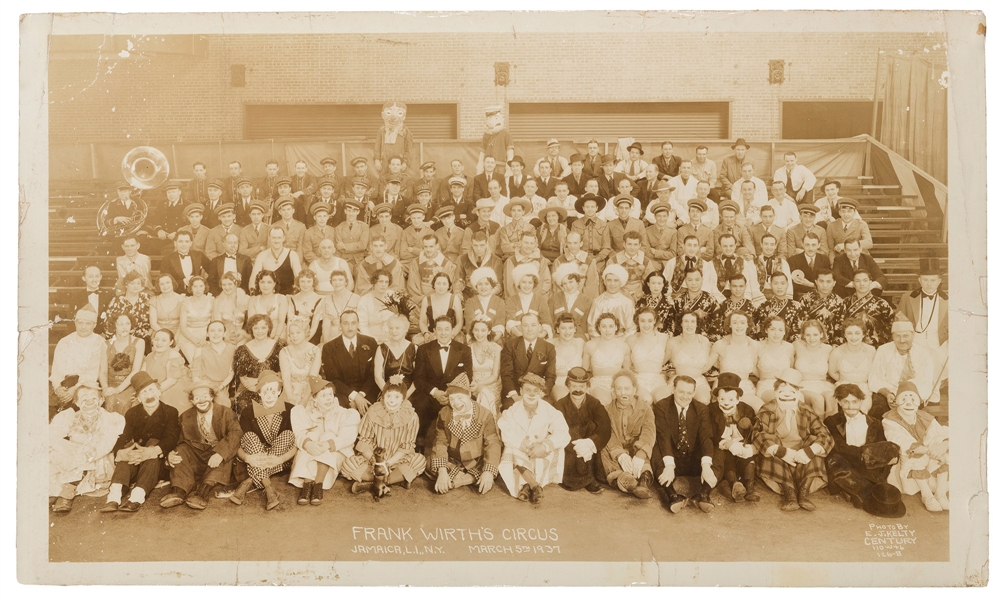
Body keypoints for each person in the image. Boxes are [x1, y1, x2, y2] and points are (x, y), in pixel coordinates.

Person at [752, 368, 834, 511]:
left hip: (802, 455)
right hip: (780, 455)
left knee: (815, 442)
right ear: (776, 393)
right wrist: (781, 451)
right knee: (769, 446)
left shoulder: (806, 410)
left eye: (792, 392)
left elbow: (825, 434)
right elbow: (758, 433)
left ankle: (803, 493)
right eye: (782, 392)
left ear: (798, 393)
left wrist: (810, 450)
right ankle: (789, 494)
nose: (787, 395)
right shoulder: (767, 410)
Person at [102, 372, 180, 513]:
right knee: (127, 450)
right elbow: (123, 437)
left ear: (159, 391)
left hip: (158, 463)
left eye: (151, 390)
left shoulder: (170, 412)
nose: (149, 396)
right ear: (138, 397)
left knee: (154, 445)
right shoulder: (132, 413)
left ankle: (137, 497)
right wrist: (121, 453)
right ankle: (114, 496)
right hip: (137, 459)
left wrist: (152, 451)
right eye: (143, 393)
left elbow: (171, 438)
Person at [159, 380, 242, 511]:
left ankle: (202, 494)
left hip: (216, 455)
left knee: (226, 454)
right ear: (192, 401)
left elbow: (236, 433)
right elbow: (177, 440)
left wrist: (220, 453)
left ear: (212, 396)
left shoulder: (226, 413)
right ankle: (178, 492)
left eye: (205, 396)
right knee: (180, 451)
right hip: (197, 456)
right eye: (197, 398)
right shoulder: (186, 416)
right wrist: (169, 455)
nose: (201, 401)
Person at [48, 381, 126, 513]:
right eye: (84, 399)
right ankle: (57, 489)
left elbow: (105, 446)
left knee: (89, 455)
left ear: (101, 400)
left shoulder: (110, 419)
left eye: (93, 398)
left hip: (97, 459)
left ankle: (67, 491)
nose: (89, 403)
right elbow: (51, 437)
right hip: (75, 457)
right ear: (77, 403)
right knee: (54, 447)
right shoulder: (71, 417)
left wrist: (80, 457)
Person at [497, 373, 572, 504]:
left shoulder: (550, 410)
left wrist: (544, 446)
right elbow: (507, 433)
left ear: (541, 393)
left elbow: (563, 433)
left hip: (540, 453)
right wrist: (526, 447)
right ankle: (534, 485)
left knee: (556, 447)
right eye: (527, 390)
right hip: (521, 450)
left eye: (536, 391)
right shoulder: (512, 411)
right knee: (511, 448)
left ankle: (525, 485)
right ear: (520, 391)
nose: (532, 394)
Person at [823, 383, 899, 511]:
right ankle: (863, 491)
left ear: (861, 401)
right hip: (847, 462)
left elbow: (880, 447)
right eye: (846, 402)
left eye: (854, 402)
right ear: (839, 402)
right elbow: (839, 446)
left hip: (869, 466)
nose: (850, 406)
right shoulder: (831, 421)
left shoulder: (875, 422)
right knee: (833, 458)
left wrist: (872, 456)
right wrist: (865, 454)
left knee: (890, 447)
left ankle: (856, 490)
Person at [342, 383, 427, 495]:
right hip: (373, 461)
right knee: (348, 464)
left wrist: (387, 464)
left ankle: (375, 484)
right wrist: (376, 462)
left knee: (419, 461)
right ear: (383, 396)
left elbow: (407, 446)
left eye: (397, 397)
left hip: (397, 460)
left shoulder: (411, 416)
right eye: (388, 396)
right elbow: (365, 442)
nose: (392, 401)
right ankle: (393, 480)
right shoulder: (373, 412)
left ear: (403, 398)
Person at [229, 370, 297, 510]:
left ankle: (248, 481)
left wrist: (281, 459)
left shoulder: (291, 410)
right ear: (259, 393)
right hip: (256, 454)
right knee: (249, 436)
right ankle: (268, 487)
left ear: (279, 392)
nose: (269, 396)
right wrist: (248, 458)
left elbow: (296, 444)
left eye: (273, 391)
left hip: (280, 457)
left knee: (288, 434)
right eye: (265, 392)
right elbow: (241, 442)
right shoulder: (248, 411)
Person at [288, 376, 361, 506]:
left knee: (327, 435)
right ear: (314, 399)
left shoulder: (343, 413)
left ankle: (318, 484)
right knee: (311, 437)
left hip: (337, 452)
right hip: (313, 452)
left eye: (330, 394)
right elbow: (299, 433)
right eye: (323, 395)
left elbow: (347, 437)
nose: (328, 398)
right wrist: (308, 443)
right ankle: (307, 484)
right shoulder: (307, 413)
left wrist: (328, 443)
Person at [651, 375, 719, 513]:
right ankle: (672, 495)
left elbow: (705, 437)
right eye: (681, 391)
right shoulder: (661, 407)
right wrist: (669, 465)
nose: (685, 396)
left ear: (694, 393)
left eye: (689, 393)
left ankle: (704, 494)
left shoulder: (701, 409)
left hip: (694, 459)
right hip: (672, 458)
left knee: (717, 451)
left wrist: (706, 466)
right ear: (673, 389)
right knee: (656, 450)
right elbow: (663, 437)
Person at [426, 373, 502, 495]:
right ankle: (467, 478)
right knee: (431, 463)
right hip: (453, 458)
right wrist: (442, 471)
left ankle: (459, 480)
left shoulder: (485, 415)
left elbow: (493, 443)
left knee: (490, 467)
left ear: (469, 395)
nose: (456, 403)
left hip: (475, 460)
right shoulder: (444, 413)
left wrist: (488, 472)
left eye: (460, 398)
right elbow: (440, 441)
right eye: (452, 399)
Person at [882, 381, 949, 513]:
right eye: (904, 399)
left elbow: (942, 432)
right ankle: (927, 495)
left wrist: (943, 444)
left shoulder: (925, 417)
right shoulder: (889, 420)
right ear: (896, 401)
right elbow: (899, 440)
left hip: (928, 456)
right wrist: (925, 449)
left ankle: (940, 494)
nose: (908, 403)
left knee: (939, 442)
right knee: (917, 453)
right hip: (908, 458)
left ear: (919, 402)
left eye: (913, 399)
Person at [412, 316, 475, 446]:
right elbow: (419, 378)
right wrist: (435, 392)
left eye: (447, 329)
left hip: (453, 393)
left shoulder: (464, 350)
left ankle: (461, 445)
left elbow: (467, 377)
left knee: (468, 403)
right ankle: (419, 441)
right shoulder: (424, 350)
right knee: (420, 404)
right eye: (439, 329)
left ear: (453, 331)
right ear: (434, 331)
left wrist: (450, 394)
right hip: (431, 394)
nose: (443, 333)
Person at [599, 370, 657, 499]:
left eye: (627, 388)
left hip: (636, 447)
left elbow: (649, 431)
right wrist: (620, 454)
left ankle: (644, 478)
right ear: (613, 390)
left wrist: (641, 454)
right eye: (619, 389)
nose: (623, 393)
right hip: (617, 448)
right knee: (603, 448)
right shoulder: (607, 410)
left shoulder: (646, 409)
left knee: (648, 448)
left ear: (635, 390)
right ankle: (622, 478)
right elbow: (609, 433)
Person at [552, 367, 611, 493]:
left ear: (587, 387)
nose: (578, 390)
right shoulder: (560, 405)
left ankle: (591, 476)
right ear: (567, 386)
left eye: (582, 386)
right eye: (573, 386)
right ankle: (586, 479)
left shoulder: (595, 404)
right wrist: (577, 442)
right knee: (571, 432)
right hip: (570, 447)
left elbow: (605, 427)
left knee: (592, 427)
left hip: (590, 447)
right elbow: (556, 430)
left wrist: (591, 443)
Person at [868, 319, 942, 418]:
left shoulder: (923, 354)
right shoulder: (883, 350)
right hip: (889, 395)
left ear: (913, 335)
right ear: (892, 336)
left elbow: (926, 384)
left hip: (913, 396)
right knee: (878, 410)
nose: (902, 340)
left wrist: (907, 398)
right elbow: (875, 378)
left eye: (906, 335)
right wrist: (887, 394)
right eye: (898, 336)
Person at [707, 372, 761, 503]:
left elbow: (754, 432)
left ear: (738, 400)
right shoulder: (710, 410)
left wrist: (751, 446)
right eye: (722, 399)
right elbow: (709, 435)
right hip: (722, 447)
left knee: (748, 457)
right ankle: (735, 484)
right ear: (717, 399)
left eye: (731, 400)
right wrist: (727, 443)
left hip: (742, 446)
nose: (726, 403)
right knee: (724, 457)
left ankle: (750, 487)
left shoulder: (747, 410)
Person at [49, 307, 107, 419]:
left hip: (88, 385)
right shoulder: (64, 342)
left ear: (94, 325)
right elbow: (57, 370)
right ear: (75, 323)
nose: (83, 327)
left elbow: (93, 373)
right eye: (80, 322)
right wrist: (57, 388)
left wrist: (74, 389)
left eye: (88, 323)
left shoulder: (99, 342)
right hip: (65, 386)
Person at [320, 310, 380, 416]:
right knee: (344, 414)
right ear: (340, 325)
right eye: (346, 323)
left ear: (358, 324)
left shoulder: (371, 342)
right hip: (342, 393)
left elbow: (373, 374)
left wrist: (360, 396)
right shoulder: (329, 348)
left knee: (373, 413)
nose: (350, 327)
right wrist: (354, 397)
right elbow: (333, 379)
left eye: (353, 323)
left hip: (366, 391)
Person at [704, 311, 761, 409]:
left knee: (760, 408)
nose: (739, 326)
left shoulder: (754, 345)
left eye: (742, 322)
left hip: (745, 387)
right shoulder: (720, 345)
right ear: (729, 325)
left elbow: (756, 370)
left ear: (748, 325)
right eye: (735, 322)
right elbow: (705, 367)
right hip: (723, 387)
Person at [500, 312, 557, 410]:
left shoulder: (549, 348)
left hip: (538, 391)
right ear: (520, 327)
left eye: (533, 325)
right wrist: (515, 396)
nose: (529, 329)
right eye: (525, 325)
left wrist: (539, 395)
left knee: (547, 407)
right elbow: (506, 374)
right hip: (516, 390)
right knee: (510, 407)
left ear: (539, 327)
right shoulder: (510, 345)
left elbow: (550, 376)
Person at [233, 314, 283, 417]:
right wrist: (257, 389)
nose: (260, 331)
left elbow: (281, 373)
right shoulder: (242, 350)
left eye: (263, 327)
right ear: (251, 329)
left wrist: (265, 387)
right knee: (245, 406)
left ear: (269, 328)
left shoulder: (279, 347)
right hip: (251, 390)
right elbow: (242, 377)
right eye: (256, 328)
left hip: (274, 389)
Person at [99, 313, 145, 416]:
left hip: (130, 384)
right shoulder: (105, 344)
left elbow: (136, 370)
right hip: (111, 384)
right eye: (120, 324)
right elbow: (103, 371)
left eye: (127, 323)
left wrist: (118, 389)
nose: (125, 327)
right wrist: (105, 388)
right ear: (114, 325)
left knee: (127, 402)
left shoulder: (139, 342)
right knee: (110, 399)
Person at [582, 313, 632, 405]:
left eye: (611, 326)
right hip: (598, 383)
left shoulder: (624, 346)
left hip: (618, 383)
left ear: (616, 327)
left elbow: (627, 371)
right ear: (599, 328)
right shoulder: (590, 345)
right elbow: (583, 371)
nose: (607, 330)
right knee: (604, 401)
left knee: (622, 402)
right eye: (604, 326)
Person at [666, 311, 713, 405]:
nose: (689, 325)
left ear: (697, 324)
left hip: (698, 381)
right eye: (686, 321)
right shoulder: (673, 342)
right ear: (681, 324)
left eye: (692, 321)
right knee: (670, 402)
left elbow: (710, 362)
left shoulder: (704, 341)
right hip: (678, 381)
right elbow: (662, 361)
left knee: (703, 401)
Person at [626, 307, 673, 402]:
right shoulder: (631, 339)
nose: (646, 324)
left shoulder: (664, 338)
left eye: (650, 320)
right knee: (646, 400)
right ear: (637, 321)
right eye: (642, 321)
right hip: (638, 381)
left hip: (658, 379)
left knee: (663, 400)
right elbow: (624, 361)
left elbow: (675, 352)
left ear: (654, 321)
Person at [142, 328, 192, 413]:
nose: (159, 343)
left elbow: (171, 381)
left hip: (171, 390)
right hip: (154, 390)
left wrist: (153, 393)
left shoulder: (173, 354)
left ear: (171, 342)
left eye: (164, 340)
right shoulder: (149, 356)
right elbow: (143, 376)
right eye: (156, 339)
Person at [189, 321, 235, 408]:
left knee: (223, 405)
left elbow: (231, 373)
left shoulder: (232, 349)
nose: (216, 333)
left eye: (219, 330)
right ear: (207, 333)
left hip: (221, 385)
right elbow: (195, 373)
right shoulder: (200, 349)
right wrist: (201, 391)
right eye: (212, 330)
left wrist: (221, 387)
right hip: (203, 384)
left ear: (224, 333)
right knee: (202, 402)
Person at [794, 319, 835, 416]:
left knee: (831, 397)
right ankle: (818, 429)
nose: (812, 338)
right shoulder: (796, 346)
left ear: (821, 334)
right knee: (818, 399)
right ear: (803, 335)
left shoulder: (828, 349)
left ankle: (832, 428)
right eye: (808, 335)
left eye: (815, 335)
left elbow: (835, 369)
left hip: (823, 385)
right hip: (802, 386)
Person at [843, 270, 894, 347]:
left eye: (865, 280)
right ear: (853, 283)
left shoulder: (881, 303)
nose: (862, 284)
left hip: (875, 346)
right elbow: (840, 325)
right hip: (850, 345)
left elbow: (890, 326)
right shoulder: (845, 302)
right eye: (857, 281)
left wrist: (878, 339)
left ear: (870, 282)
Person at [278, 317, 321, 407]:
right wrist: (291, 400)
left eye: (298, 332)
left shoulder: (315, 350)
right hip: (290, 393)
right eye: (292, 333)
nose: (294, 336)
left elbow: (312, 378)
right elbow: (286, 379)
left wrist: (304, 402)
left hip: (310, 393)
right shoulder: (284, 352)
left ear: (305, 332)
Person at [504, 263, 554, 339]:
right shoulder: (511, 300)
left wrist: (541, 335)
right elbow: (509, 321)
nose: (527, 286)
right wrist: (520, 334)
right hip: (517, 337)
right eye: (523, 282)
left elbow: (546, 321)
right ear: (518, 283)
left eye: (530, 282)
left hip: (537, 337)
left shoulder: (540, 300)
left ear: (534, 284)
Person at [796, 269, 845, 344]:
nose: (825, 285)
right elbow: (800, 324)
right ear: (816, 282)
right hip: (807, 342)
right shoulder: (806, 299)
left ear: (834, 283)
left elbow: (840, 329)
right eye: (821, 281)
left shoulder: (839, 302)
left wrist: (834, 345)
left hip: (829, 344)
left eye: (828, 282)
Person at [587, 264, 636, 338]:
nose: (612, 284)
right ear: (604, 282)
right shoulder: (597, 302)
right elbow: (592, 328)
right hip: (601, 341)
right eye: (609, 280)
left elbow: (631, 329)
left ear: (621, 282)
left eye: (616, 280)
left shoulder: (627, 302)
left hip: (622, 341)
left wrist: (620, 342)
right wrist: (602, 342)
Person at [416, 272, 464, 345]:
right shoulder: (426, 299)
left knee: (459, 339)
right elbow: (422, 321)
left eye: (444, 284)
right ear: (434, 285)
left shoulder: (454, 299)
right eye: (438, 283)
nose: (441, 287)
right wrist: (426, 333)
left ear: (449, 286)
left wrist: (452, 334)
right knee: (417, 340)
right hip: (432, 333)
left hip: (450, 333)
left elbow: (460, 322)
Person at [104, 271, 152, 344]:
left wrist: (148, 335)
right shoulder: (117, 301)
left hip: (144, 339)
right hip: (122, 339)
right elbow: (108, 323)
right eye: (132, 283)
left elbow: (156, 319)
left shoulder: (148, 299)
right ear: (126, 285)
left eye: (138, 283)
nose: (135, 286)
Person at [374, 313, 418, 394]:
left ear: (406, 329)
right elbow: (378, 377)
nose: (393, 331)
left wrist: (405, 396)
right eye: (391, 328)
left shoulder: (414, 349)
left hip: (410, 394)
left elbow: (418, 378)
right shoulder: (381, 348)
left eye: (397, 328)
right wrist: (389, 395)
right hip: (387, 392)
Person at [406, 234, 459, 300]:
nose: (428, 250)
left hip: (439, 298)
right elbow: (412, 285)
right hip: (419, 298)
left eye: (431, 247)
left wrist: (433, 298)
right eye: (425, 247)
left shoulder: (446, 264)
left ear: (437, 246)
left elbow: (448, 286)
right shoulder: (415, 263)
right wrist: (422, 298)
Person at [752, 272, 803, 341]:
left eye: (782, 283)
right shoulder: (763, 306)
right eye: (775, 283)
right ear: (770, 285)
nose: (779, 287)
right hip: (766, 347)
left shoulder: (797, 306)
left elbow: (798, 332)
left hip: (788, 347)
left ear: (787, 285)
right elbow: (758, 330)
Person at [313, 270, 360, 343]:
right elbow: (326, 325)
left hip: (352, 334)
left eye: (340, 280)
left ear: (346, 282)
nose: (337, 283)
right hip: (332, 335)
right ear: (331, 283)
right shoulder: (326, 300)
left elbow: (360, 323)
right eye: (334, 280)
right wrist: (326, 342)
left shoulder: (357, 299)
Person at [468, 318, 502, 417]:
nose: (479, 333)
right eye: (476, 330)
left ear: (489, 331)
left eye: (483, 330)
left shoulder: (496, 348)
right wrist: (474, 384)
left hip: (492, 385)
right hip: (473, 385)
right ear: (472, 331)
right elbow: (468, 372)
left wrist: (479, 384)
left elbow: (495, 376)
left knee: (484, 394)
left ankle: (486, 425)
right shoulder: (468, 348)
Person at [670, 268, 719, 336]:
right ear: (685, 281)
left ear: (702, 280)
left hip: (704, 341)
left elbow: (717, 324)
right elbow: (673, 325)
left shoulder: (710, 300)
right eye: (690, 280)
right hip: (682, 340)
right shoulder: (678, 300)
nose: (693, 283)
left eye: (697, 279)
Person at [708, 273, 756, 341]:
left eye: (741, 286)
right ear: (729, 286)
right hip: (725, 343)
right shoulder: (721, 306)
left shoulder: (751, 307)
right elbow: (716, 329)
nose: (738, 289)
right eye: (734, 286)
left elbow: (754, 332)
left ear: (746, 286)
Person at [755, 316, 795, 397]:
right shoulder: (758, 346)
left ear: (784, 332)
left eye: (780, 330)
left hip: (785, 386)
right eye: (772, 329)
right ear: (766, 330)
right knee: (778, 398)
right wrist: (765, 377)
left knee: (797, 399)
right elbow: (753, 368)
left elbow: (791, 367)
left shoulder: (789, 347)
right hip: (765, 385)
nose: (777, 333)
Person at [67, 265, 112, 336]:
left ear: (101, 277)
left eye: (97, 276)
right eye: (90, 277)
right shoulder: (76, 297)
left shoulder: (109, 296)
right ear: (84, 278)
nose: (94, 280)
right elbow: (71, 322)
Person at [177, 275, 213, 363]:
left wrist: (206, 338)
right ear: (191, 288)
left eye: (201, 286)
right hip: (188, 337)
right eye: (195, 286)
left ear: (205, 287)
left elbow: (214, 323)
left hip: (208, 336)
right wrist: (195, 340)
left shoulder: (211, 301)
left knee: (208, 361)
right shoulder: (185, 302)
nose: (198, 289)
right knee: (195, 362)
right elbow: (183, 328)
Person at [463, 267, 506, 340]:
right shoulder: (470, 302)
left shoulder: (499, 302)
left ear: (492, 286)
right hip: (474, 339)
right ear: (476, 286)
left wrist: (490, 342)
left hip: (494, 340)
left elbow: (500, 325)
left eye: (486, 284)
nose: (483, 287)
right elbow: (469, 325)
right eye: (480, 284)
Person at [550, 264, 592, 337]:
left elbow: (585, 325)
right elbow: (550, 321)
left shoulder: (586, 300)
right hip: (558, 337)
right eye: (564, 283)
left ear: (577, 281)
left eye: (571, 282)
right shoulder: (554, 298)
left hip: (578, 337)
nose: (568, 286)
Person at [356, 268, 396, 344]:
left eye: (386, 282)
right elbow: (362, 325)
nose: (383, 285)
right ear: (374, 282)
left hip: (393, 339)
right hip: (371, 340)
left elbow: (400, 319)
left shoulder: (394, 296)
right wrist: (373, 340)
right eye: (380, 281)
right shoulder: (365, 300)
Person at [551, 314, 585, 400]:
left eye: (570, 328)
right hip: (558, 383)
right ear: (557, 329)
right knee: (563, 399)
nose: (567, 332)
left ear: (575, 329)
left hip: (577, 383)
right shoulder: (550, 344)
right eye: (563, 328)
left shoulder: (580, 343)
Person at [787, 232, 831, 300]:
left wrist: (811, 284)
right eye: (807, 245)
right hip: (800, 298)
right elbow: (794, 285)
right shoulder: (792, 260)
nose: (810, 248)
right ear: (802, 244)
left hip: (821, 296)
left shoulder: (824, 259)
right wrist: (817, 285)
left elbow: (828, 281)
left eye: (813, 245)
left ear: (819, 245)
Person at [210, 271, 250, 346]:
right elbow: (217, 324)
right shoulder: (218, 301)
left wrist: (241, 337)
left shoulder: (246, 299)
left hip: (243, 337)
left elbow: (249, 322)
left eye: (230, 284)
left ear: (236, 284)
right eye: (224, 284)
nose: (226, 287)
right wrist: (226, 338)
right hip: (225, 337)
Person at [570, 191, 610, 264]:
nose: (590, 209)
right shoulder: (575, 225)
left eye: (592, 207)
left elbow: (606, 248)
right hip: (580, 259)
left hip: (598, 260)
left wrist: (596, 260)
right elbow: (573, 245)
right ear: (583, 208)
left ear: (596, 208)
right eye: (587, 207)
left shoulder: (603, 225)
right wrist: (583, 259)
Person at [208, 232, 252, 297]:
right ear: (224, 244)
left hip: (239, 295)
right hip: (221, 295)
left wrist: (242, 295)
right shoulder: (216, 261)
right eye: (230, 243)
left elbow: (248, 280)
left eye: (235, 243)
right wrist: (218, 296)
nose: (233, 245)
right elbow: (211, 282)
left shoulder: (246, 260)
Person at [287, 270, 325, 343]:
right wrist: (289, 340)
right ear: (298, 282)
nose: (305, 284)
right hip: (294, 336)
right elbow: (289, 321)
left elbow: (314, 326)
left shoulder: (320, 299)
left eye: (308, 281)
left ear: (313, 282)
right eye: (302, 281)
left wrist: (304, 342)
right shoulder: (292, 298)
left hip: (311, 336)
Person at [334, 199, 370, 268]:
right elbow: (339, 247)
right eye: (349, 211)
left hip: (360, 261)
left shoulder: (364, 227)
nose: (351, 214)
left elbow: (363, 245)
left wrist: (344, 246)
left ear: (358, 212)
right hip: (345, 261)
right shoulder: (338, 228)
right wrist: (356, 247)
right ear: (345, 211)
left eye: (354, 211)